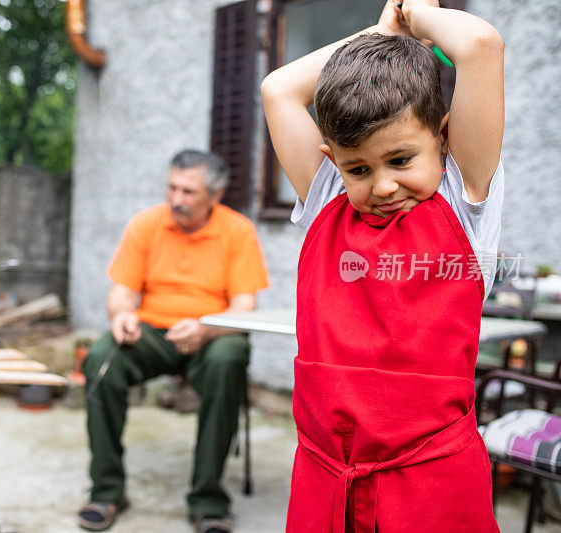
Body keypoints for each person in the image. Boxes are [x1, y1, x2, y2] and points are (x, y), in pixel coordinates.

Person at [261, 0, 504, 531]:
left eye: (400, 160)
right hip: (325, 478)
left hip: (429, 484)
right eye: (358, 168)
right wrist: (378, 31)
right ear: (332, 162)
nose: (383, 185)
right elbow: (278, 89)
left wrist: (413, 19)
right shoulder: (328, 198)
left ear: (442, 138)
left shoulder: (465, 202)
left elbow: (480, 46)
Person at [77, 150, 269, 533]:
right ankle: (108, 491)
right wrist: (122, 316)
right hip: (152, 332)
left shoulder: (238, 231)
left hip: (213, 334)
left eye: (188, 191)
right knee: (100, 358)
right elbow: (121, 292)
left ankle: (208, 501)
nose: (176, 199)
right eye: (172, 187)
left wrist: (206, 329)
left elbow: (245, 309)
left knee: (229, 357)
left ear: (214, 195)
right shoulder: (145, 224)